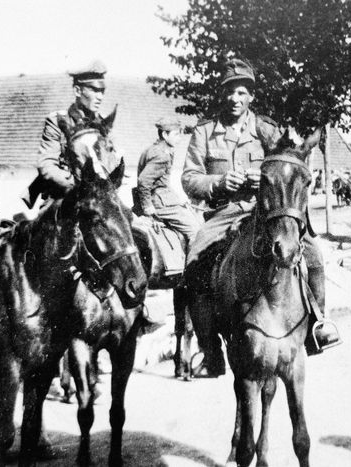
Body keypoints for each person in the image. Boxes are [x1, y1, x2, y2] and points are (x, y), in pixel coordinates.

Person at [182, 58, 340, 376]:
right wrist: (218, 183)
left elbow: (288, 160)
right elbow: (189, 179)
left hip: (264, 211)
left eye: (242, 92)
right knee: (194, 258)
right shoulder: (204, 131)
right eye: (229, 92)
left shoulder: (267, 129)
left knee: (312, 252)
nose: (235, 99)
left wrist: (264, 177)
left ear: (251, 96)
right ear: (222, 94)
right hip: (224, 213)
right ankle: (210, 350)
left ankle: (318, 325)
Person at [23, 60, 119, 207]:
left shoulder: (103, 124)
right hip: (63, 196)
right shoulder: (57, 121)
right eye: (94, 90)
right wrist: (77, 186)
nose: (100, 97)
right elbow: (47, 165)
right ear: (77, 91)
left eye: (102, 91)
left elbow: (110, 163)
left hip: (98, 199)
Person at [135, 119, 200, 245]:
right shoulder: (162, 155)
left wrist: (179, 198)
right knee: (196, 232)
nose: (179, 138)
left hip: (163, 199)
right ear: (165, 135)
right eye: (176, 134)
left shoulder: (152, 149)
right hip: (161, 203)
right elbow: (143, 181)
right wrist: (147, 207)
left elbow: (162, 183)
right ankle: (194, 265)